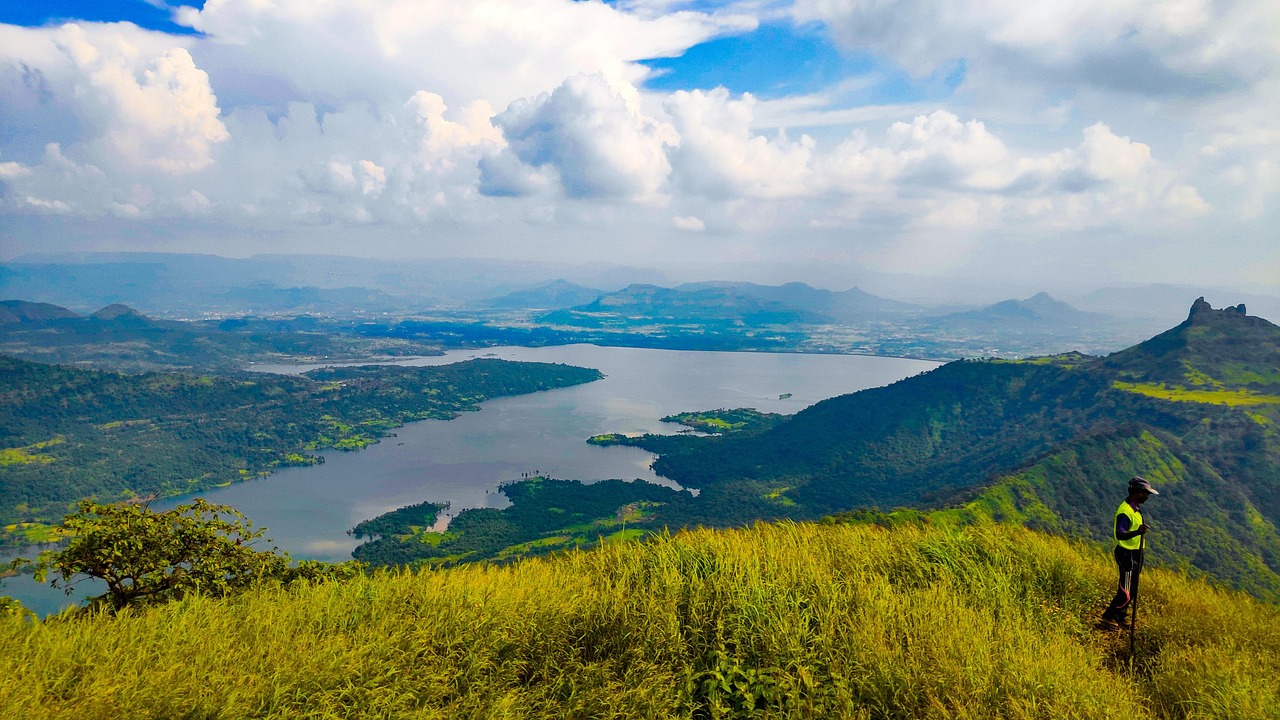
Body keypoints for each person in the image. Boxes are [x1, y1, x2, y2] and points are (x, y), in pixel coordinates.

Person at [1100, 476, 1158, 629]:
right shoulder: (1125, 511)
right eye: (1146, 493)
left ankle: (1119, 616)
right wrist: (1137, 532)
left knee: (1132, 588)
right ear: (1138, 492)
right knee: (1125, 590)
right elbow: (1120, 534)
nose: (1147, 497)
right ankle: (1108, 617)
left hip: (1135, 553)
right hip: (1127, 554)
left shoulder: (1134, 508)